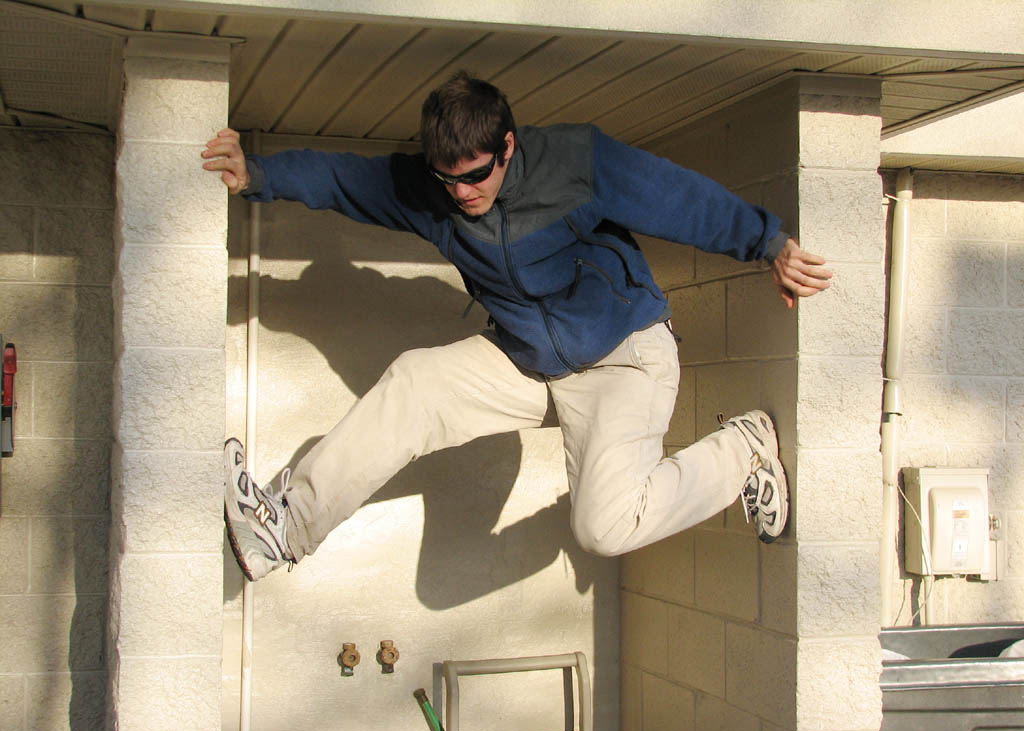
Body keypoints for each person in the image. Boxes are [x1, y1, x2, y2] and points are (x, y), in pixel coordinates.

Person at [202, 72, 832, 582]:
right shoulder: (435, 188)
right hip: (532, 361)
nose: (462, 193)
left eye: (476, 175)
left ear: (507, 146)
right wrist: (256, 174)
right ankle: (283, 529)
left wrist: (768, 245)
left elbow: (677, 198)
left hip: (623, 356)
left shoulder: (575, 162)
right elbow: (344, 179)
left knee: (603, 529)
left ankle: (744, 449)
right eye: (448, 179)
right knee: (415, 381)